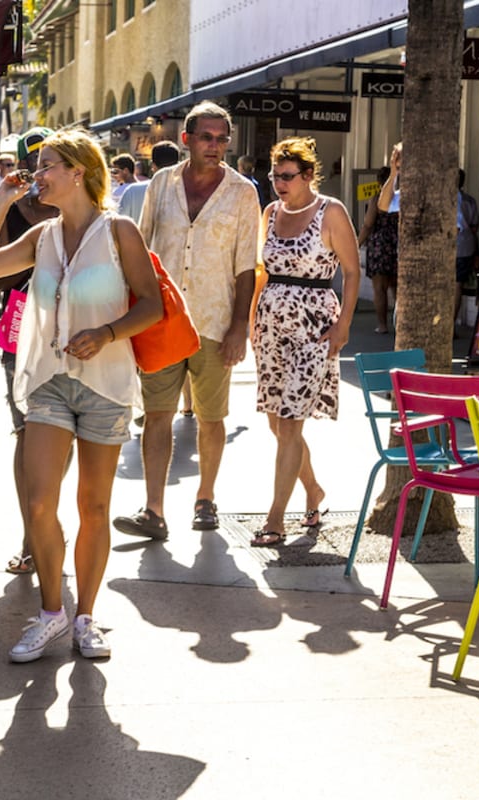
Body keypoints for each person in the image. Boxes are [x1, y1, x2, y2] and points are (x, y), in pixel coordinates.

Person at [0, 128, 162, 663]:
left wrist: (106, 333)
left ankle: (85, 617)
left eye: (47, 164)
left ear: (78, 172)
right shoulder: (42, 236)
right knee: (39, 502)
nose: (37, 173)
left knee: (94, 506)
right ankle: (51, 613)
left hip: (106, 385)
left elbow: (152, 306)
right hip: (48, 381)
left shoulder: (119, 232)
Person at [113, 100, 260, 540]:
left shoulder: (242, 193)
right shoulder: (161, 184)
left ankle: (206, 498)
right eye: (206, 138)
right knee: (157, 415)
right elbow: (142, 254)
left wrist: (240, 328)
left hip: (215, 322)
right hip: (161, 321)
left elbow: (247, 267)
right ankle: (153, 510)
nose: (215, 146)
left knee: (212, 418)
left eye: (221, 139)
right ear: (187, 140)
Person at [248, 138, 360, 547]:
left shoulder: (331, 212)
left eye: (287, 176)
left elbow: (351, 271)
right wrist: (251, 322)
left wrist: (343, 324)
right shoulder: (270, 211)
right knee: (277, 422)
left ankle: (275, 518)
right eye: (274, 175)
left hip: (313, 326)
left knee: (292, 420)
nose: (279, 183)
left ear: (308, 175)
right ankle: (314, 491)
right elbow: (262, 271)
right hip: (271, 325)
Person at [0, 127, 60, 576]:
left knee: (59, 440)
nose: (42, 173)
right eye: (36, 164)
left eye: (50, 163)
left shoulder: (78, 210)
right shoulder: (12, 213)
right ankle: (31, 535)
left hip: (71, 334)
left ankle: (48, 527)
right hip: (21, 332)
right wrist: (5, 207)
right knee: (26, 435)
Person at [363, 144, 401, 334]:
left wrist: (358, 243)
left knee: (380, 288)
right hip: (397, 243)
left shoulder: (377, 198)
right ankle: (398, 323)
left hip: (380, 244)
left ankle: (383, 324)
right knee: (396, 287)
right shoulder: (401, 197)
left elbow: (369, 223)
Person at [118, 141, 179, 224]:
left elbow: (119, 227)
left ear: (153, 165)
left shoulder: (132, 192)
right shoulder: (186, 193)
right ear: (179, 165)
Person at [455, 168, 479, 329]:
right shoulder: (469, 201)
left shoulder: (441, 200)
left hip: (448, 246)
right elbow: (474, 227)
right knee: (457, 285)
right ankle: (450, 324)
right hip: (465, 246)